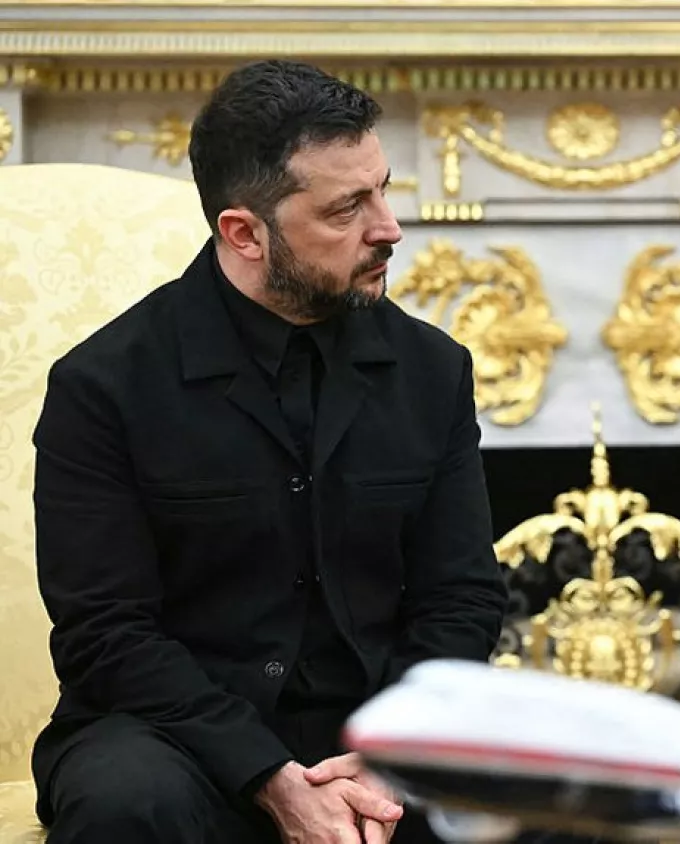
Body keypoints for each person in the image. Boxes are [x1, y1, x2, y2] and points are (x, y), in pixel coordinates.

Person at [30, 59, 507, 844]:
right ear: (244, 233)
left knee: (566, 796)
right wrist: (268, 776)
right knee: (126, 802)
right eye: (348, 207)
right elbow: (106, 633)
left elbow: (460, 598)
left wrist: (386, 759)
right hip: (179, 736)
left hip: (379, 730)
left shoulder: (433, 369)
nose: (388, 227)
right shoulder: (104, 385)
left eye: (383, 190)